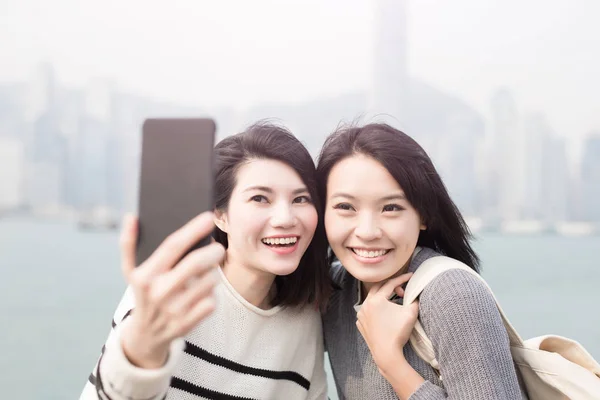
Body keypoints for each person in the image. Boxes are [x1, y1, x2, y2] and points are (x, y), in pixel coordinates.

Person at [80, 122, 330, 400]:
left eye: (301, 198)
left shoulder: (306, 318)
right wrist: (141, 352)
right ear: (219, 215)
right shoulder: (174, 291)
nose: (285, 218)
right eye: (260, 198)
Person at [317, 123, 526, 399]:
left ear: (424, 215)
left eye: (391, 208)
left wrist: (391, 362)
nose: (367, 231)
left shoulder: (452, 296)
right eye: (345, 207)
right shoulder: (335, 293)